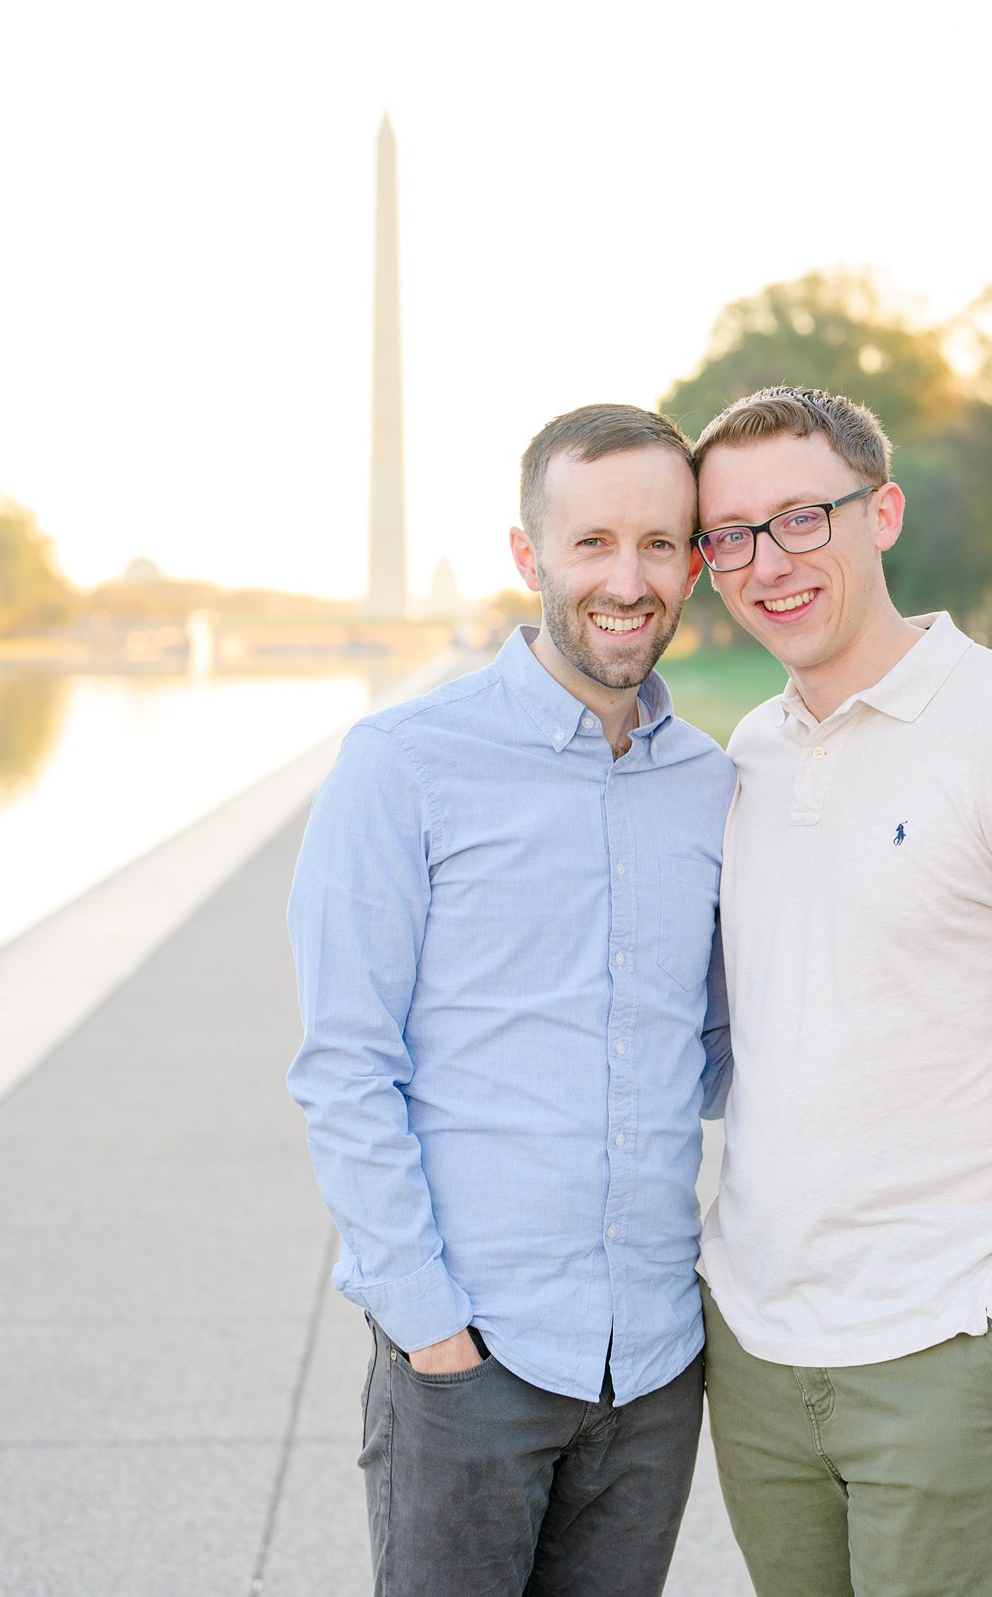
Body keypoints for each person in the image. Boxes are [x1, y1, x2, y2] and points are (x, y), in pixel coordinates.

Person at [690, 385, 992, 1597]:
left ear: (881, 511)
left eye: (800, 519)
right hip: (759, 1343)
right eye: (728, 535)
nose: (764, 565)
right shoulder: (748, 753)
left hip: (948, 1348)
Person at [287, 402, 735, 1596]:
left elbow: (733, 1048)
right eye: (592, 544)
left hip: (650, 1368)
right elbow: (345, 1067)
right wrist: (431, 1330)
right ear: (529, 557)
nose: (628, 580)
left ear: (695, 558)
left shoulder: (715, 784)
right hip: (471, 1360)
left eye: (659, 544)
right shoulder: (404, 764)